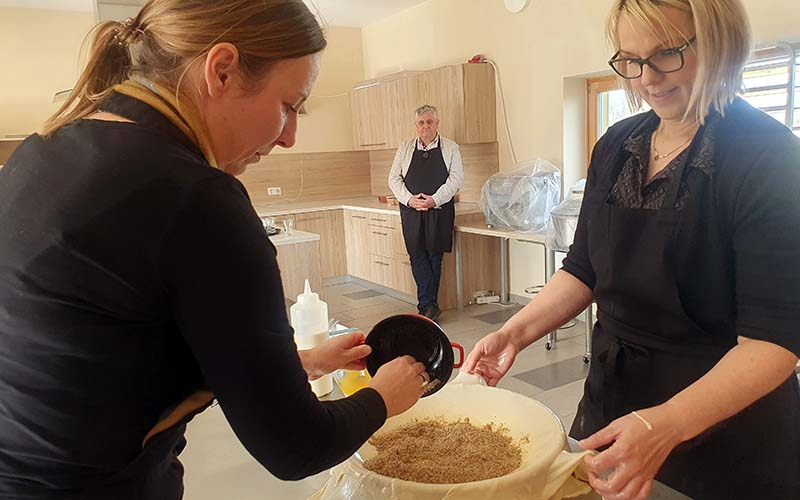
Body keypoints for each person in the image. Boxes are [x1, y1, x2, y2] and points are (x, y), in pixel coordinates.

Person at [0, 1, 429, 498]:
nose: (289, 137)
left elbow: (107, 350)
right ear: (221, 70)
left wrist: (301, 362)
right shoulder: (197, 199)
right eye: (289, 106)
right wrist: (383, 397)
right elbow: (297, 447)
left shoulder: (42, 148)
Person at [463, 1, 800, 499]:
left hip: (724, 425)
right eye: (630, 59)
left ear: (718, 43)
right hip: (615, 394)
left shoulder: (769, 157)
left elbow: (774, 343)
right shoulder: (618, 144)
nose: (647, 78)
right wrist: (515, 333)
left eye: (666, 54)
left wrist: (665, 425)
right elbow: (582, 269)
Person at [388, 105, 464, 321]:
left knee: (434, 256)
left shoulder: (451, 148)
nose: (425, 126)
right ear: (416, 126)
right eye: (421, 123)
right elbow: (394, 178)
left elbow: (456, 178)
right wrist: (409, 199)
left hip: (438, 210)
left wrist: (434, 200)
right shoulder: (404, 148)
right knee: (417, 255)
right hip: (411, 211)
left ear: (437, 124)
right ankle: (429, 305)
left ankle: (426, 306)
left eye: (429, 122)